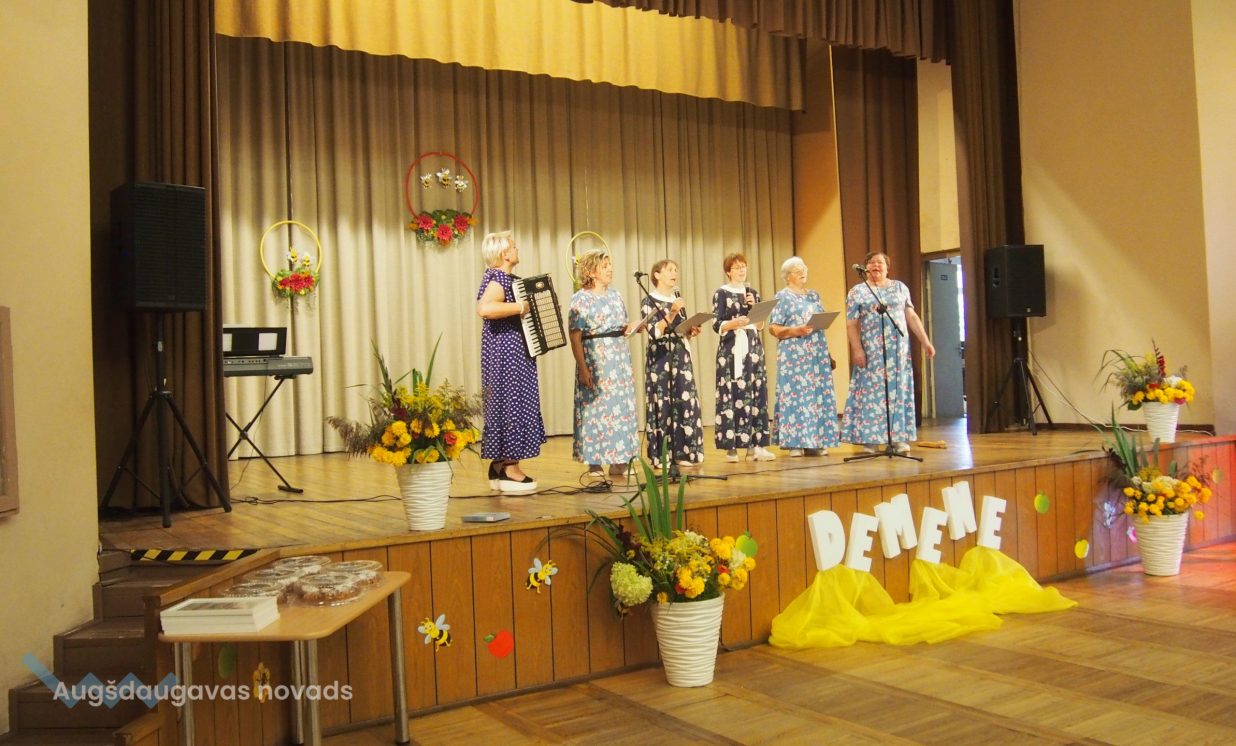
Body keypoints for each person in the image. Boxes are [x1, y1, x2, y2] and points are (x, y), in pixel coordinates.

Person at [841, 252, 936, 454]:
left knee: (897, 392)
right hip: (871, 350)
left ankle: (898, 437)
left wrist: (925, 341)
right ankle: (871, 439)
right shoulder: (857, 291)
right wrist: (857, 349)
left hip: (897, 351)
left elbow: (911, 316)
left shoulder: (900, 287)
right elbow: (851, 323)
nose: (876, 265)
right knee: (871, 393)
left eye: (880, 262)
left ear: (887, 268)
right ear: (866, 268)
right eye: (871, 262)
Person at [475, 230, 546, 493]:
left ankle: (499, 464)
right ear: (504, 253)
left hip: (509, 350)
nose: (517, 250)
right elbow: (485, 308)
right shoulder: (498, 278)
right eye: (513, 246)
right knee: (512, 401)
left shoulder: (506, 279)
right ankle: (510, 467)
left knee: (507, 402)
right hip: (507, 352)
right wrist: (521, 307)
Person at [568, 249, 640, 477]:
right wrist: (583, 368)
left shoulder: (616, 295)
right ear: (591, 271)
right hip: (596, 359)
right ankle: (595, 461)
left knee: (620, 409)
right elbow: (575, 337)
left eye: (610, 265)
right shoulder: (580, 298)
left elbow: (620, 326)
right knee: (596, 410)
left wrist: (632, 327)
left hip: (619, 359)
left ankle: (620, 460)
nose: (610, 269)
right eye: (605, 266)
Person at [768, 257, 840, 456]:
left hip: (816, 351)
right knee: (797, 396)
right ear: (787, 276)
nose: (802, 272)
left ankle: (816, 441)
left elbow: (820, 321)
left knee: (817, 395)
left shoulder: (814, 295)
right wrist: (795, 330)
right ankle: (795, 443)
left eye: (804, 269)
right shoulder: (782, 296)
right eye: (797, 270)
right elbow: (774, 328)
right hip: (794, 353)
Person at [640, 259, 704, 468]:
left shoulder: (677, 299)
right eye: (669, 270)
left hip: (680, 355)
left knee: (684, 401)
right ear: (657, 275)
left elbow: (680, 329)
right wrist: (673, 312)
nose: (674, 273)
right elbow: (654, 332)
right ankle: (662, 455)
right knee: (663, 404)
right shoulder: (649, 300)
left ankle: (683, 452)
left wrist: (691, 330)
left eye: (676, 270)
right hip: (660, 358)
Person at [712, 252, 775, 462]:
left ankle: (755, 446)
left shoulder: (752, 293)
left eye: (743, 267)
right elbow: (716, 324)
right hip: (731, 349)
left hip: (753, 347)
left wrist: (754, 308)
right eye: (737, 267)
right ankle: (731, 447)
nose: (741, 270)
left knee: (756, 392)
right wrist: (734, 323)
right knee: (733, 393)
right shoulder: (721, 293)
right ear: (728, 271)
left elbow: (760, 325)